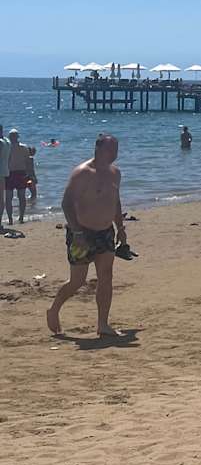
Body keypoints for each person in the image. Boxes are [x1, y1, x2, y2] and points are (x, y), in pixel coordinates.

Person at [46, 134, 128, 338]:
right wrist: (77, 232)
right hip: (82, 233)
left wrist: (121, 228)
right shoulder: (82, 173)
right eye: (110, 149)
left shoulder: (115, 173)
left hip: (105, 232)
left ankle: (103, 324)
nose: (114, 153)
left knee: (106, 276)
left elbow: (115, 201)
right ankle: (54, 309)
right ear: (98, 149)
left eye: (116, 149)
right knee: (77, 281)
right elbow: (66, 203)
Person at [4, 128, 34, 225]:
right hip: (21, 173)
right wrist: (31, 175)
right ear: (18, 137)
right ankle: (20, 218)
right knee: (21, 197)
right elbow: (28, 162)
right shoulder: (24, 147)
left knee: (9, 198)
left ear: (9, 137)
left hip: (10, 173)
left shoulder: (6, 147)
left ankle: (11, 219)